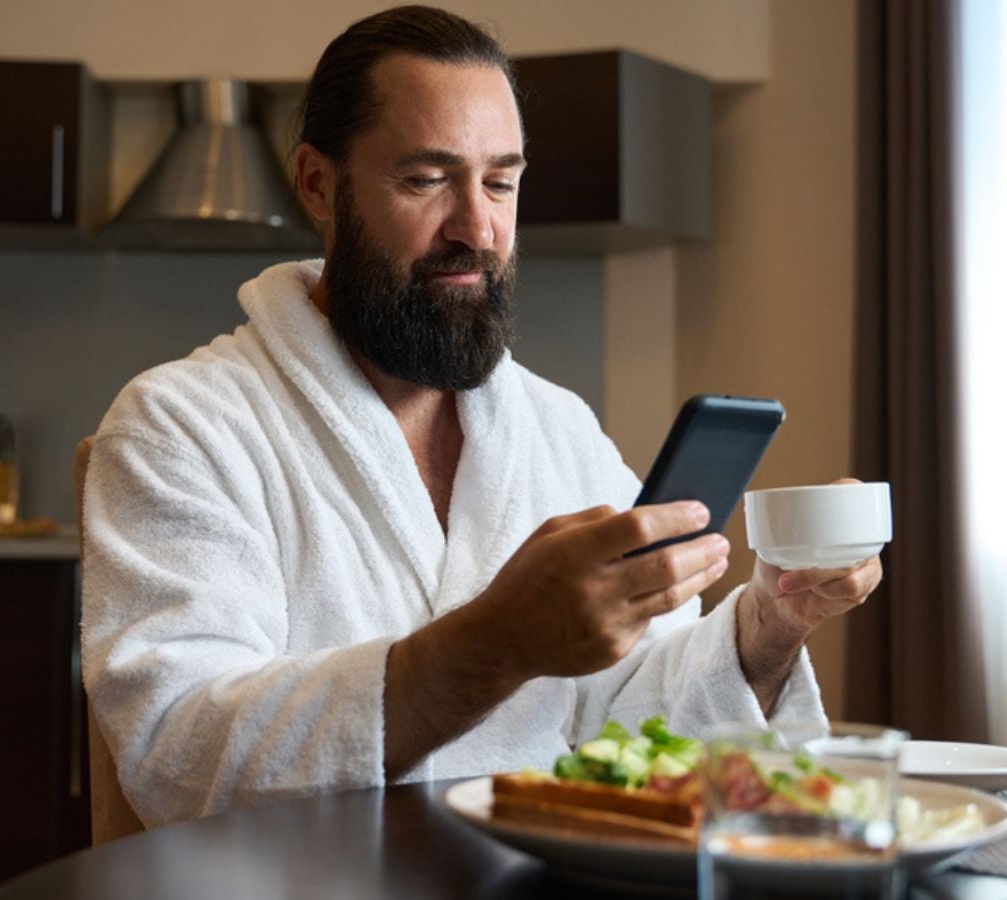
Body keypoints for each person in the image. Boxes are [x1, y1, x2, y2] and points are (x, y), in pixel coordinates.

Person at [81, 4, 882, 828]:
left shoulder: (555, 428)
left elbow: (636, 722)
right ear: (320, 183)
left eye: (500, 181)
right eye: (426, 179)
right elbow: (176, 756)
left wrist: (767, 632)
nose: (478, 226)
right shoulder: (180, 426)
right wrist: (494, 645)